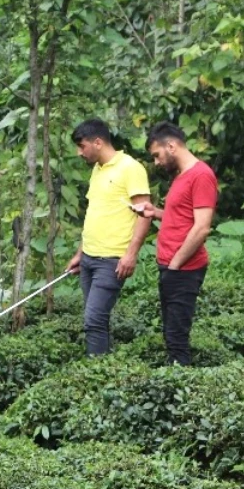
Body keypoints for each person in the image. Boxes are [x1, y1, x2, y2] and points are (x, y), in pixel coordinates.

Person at [65, 119, 152, 356]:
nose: (79, 152)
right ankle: (104, 366)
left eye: (82, 146)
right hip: (89, 258)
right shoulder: (97, 170)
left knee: (93, 320)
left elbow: (145, 214)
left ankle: (96, 373)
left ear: (98, 142)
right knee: (95, 320)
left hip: (112, 260)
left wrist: (131, 254)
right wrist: (80, 253)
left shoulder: (131, 168)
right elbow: (95, 213)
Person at [133, 122, 217, 365]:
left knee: (177, 336)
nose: (157, 162)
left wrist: (175, 264)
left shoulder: (201, 175)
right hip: (171, 265)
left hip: (183, 268)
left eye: (157, 155)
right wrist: (154, 212)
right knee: (171, 333)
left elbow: (201, 227)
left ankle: (182, 389)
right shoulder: (182, 176)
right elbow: (182, 217)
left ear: (171, 146)